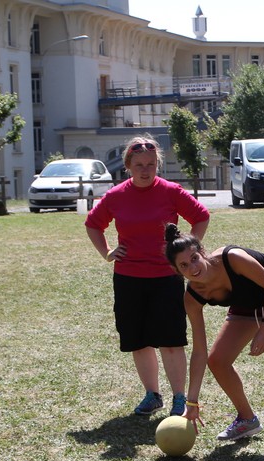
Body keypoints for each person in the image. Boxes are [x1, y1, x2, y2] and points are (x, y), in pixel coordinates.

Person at [85, 135, 210, 417]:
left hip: (166, 277)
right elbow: (93, 224)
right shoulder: (116, 196)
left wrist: (188, 252)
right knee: (138, 340)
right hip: (128, 277)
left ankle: (179, 397)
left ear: (158, 165)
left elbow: (201, 216)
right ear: (128, 165)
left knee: (170, 340)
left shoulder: (171, 191)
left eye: (151, 164)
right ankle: (152, 395)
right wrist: (107, 252)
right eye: (139, 164)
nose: (145, 170)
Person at [164, 224, 264, 461]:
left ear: (202, 251)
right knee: (217, 360)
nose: (193, 267)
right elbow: (199, 352)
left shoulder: (231, 258)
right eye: (184, 265)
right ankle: (247, 419)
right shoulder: (192, 298)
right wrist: (191, 400)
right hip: (249, 301)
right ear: (176, 270)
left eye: (194, 258)